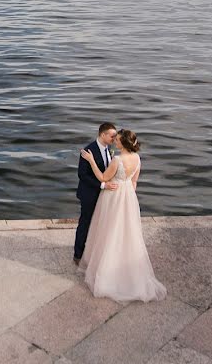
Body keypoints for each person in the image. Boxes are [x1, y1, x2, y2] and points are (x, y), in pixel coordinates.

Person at [80, 129, 166, 302]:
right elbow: (134, 182)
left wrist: (91, 161)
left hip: (113, 196)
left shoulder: (117, 160)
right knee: (127, 232)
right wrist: (128, 197)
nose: (115, 142)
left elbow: (103, 177)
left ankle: (106, 273)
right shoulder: (137, 159)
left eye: (118, 140)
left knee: (109, 230)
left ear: (124, 143)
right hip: (128, 197)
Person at [73, 123, 119, 266]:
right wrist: (102, 185)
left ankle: (94, 251)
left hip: (105, 195)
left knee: (100, 224)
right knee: (85, 223)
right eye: (112, 136)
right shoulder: (88, 151)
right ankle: (78, 254)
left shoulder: (108, 149)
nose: (115, 138)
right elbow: (82, 175)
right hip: (89, 194)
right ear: (103, 134)